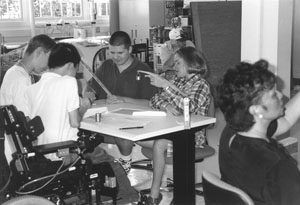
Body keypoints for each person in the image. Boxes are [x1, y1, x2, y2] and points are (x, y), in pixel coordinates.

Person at [217, 59, 300, 205]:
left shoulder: (231, 133)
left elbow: (285, 122)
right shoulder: (279, 167)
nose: (281, 96)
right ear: (256, 110)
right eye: (274, 95)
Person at [136, 47, 211, 204]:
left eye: (178, 63)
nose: (174, 67)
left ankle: (154, 195)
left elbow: (187, 106)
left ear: (191, 63)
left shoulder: (201, 84)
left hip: (191, 135)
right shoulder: (178, 81)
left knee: (159, 145)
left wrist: (166, 87)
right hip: (170, 130)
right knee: (138, 138)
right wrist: (167, 106)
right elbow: (154, 100)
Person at [84, 31, 158, 173]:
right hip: (105, 118)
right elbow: (91, 85)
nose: (115, 57)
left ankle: (125, 162)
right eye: (112, 52)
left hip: (132, 121)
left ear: (130, 50)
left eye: (120, 53)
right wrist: (88, 92)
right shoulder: (106, 66)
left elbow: (150, 103)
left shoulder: (143, 70)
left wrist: (123, 99)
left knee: (121, 132)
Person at [23, 43, 92, 161]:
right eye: (76, 69)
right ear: (70, 65)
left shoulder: (31, 89)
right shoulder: (69, 82)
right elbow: (75, 123)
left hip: (43, 154)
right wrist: (84, 107)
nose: (76, 74)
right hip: (65, 155)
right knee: (111, 162)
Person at [0, 34, 56, 162]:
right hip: (17, 150)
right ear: (39, 52)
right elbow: (26, 120)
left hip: (9, 145)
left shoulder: (13, 72)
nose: (48, 66)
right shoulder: (21, 80)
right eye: (49, 58)